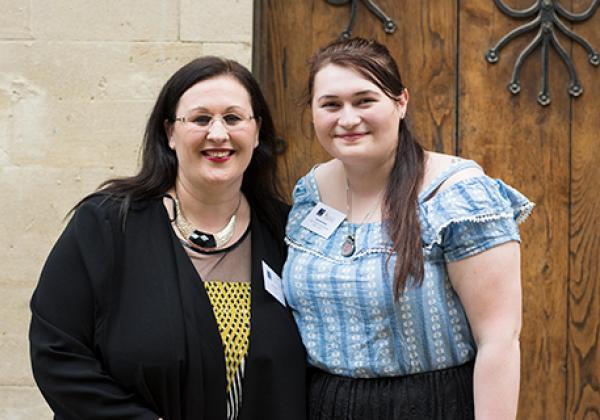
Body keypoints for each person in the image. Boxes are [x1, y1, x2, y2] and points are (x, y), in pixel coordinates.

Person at [29, 56, 306, 420]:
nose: (218, 133)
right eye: (200, 118)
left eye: (234, 118)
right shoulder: (108, 224)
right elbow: (57, 352)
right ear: (170, 133)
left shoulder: (287, 233)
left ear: (257, 132)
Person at [282, 37, 533, 419]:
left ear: (400, 103)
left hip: (431, 405)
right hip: (324, 405)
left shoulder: (456, 195)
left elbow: (498, 339)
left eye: (364, 100)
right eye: (331, 105)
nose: (348, 119)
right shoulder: (310, 193)